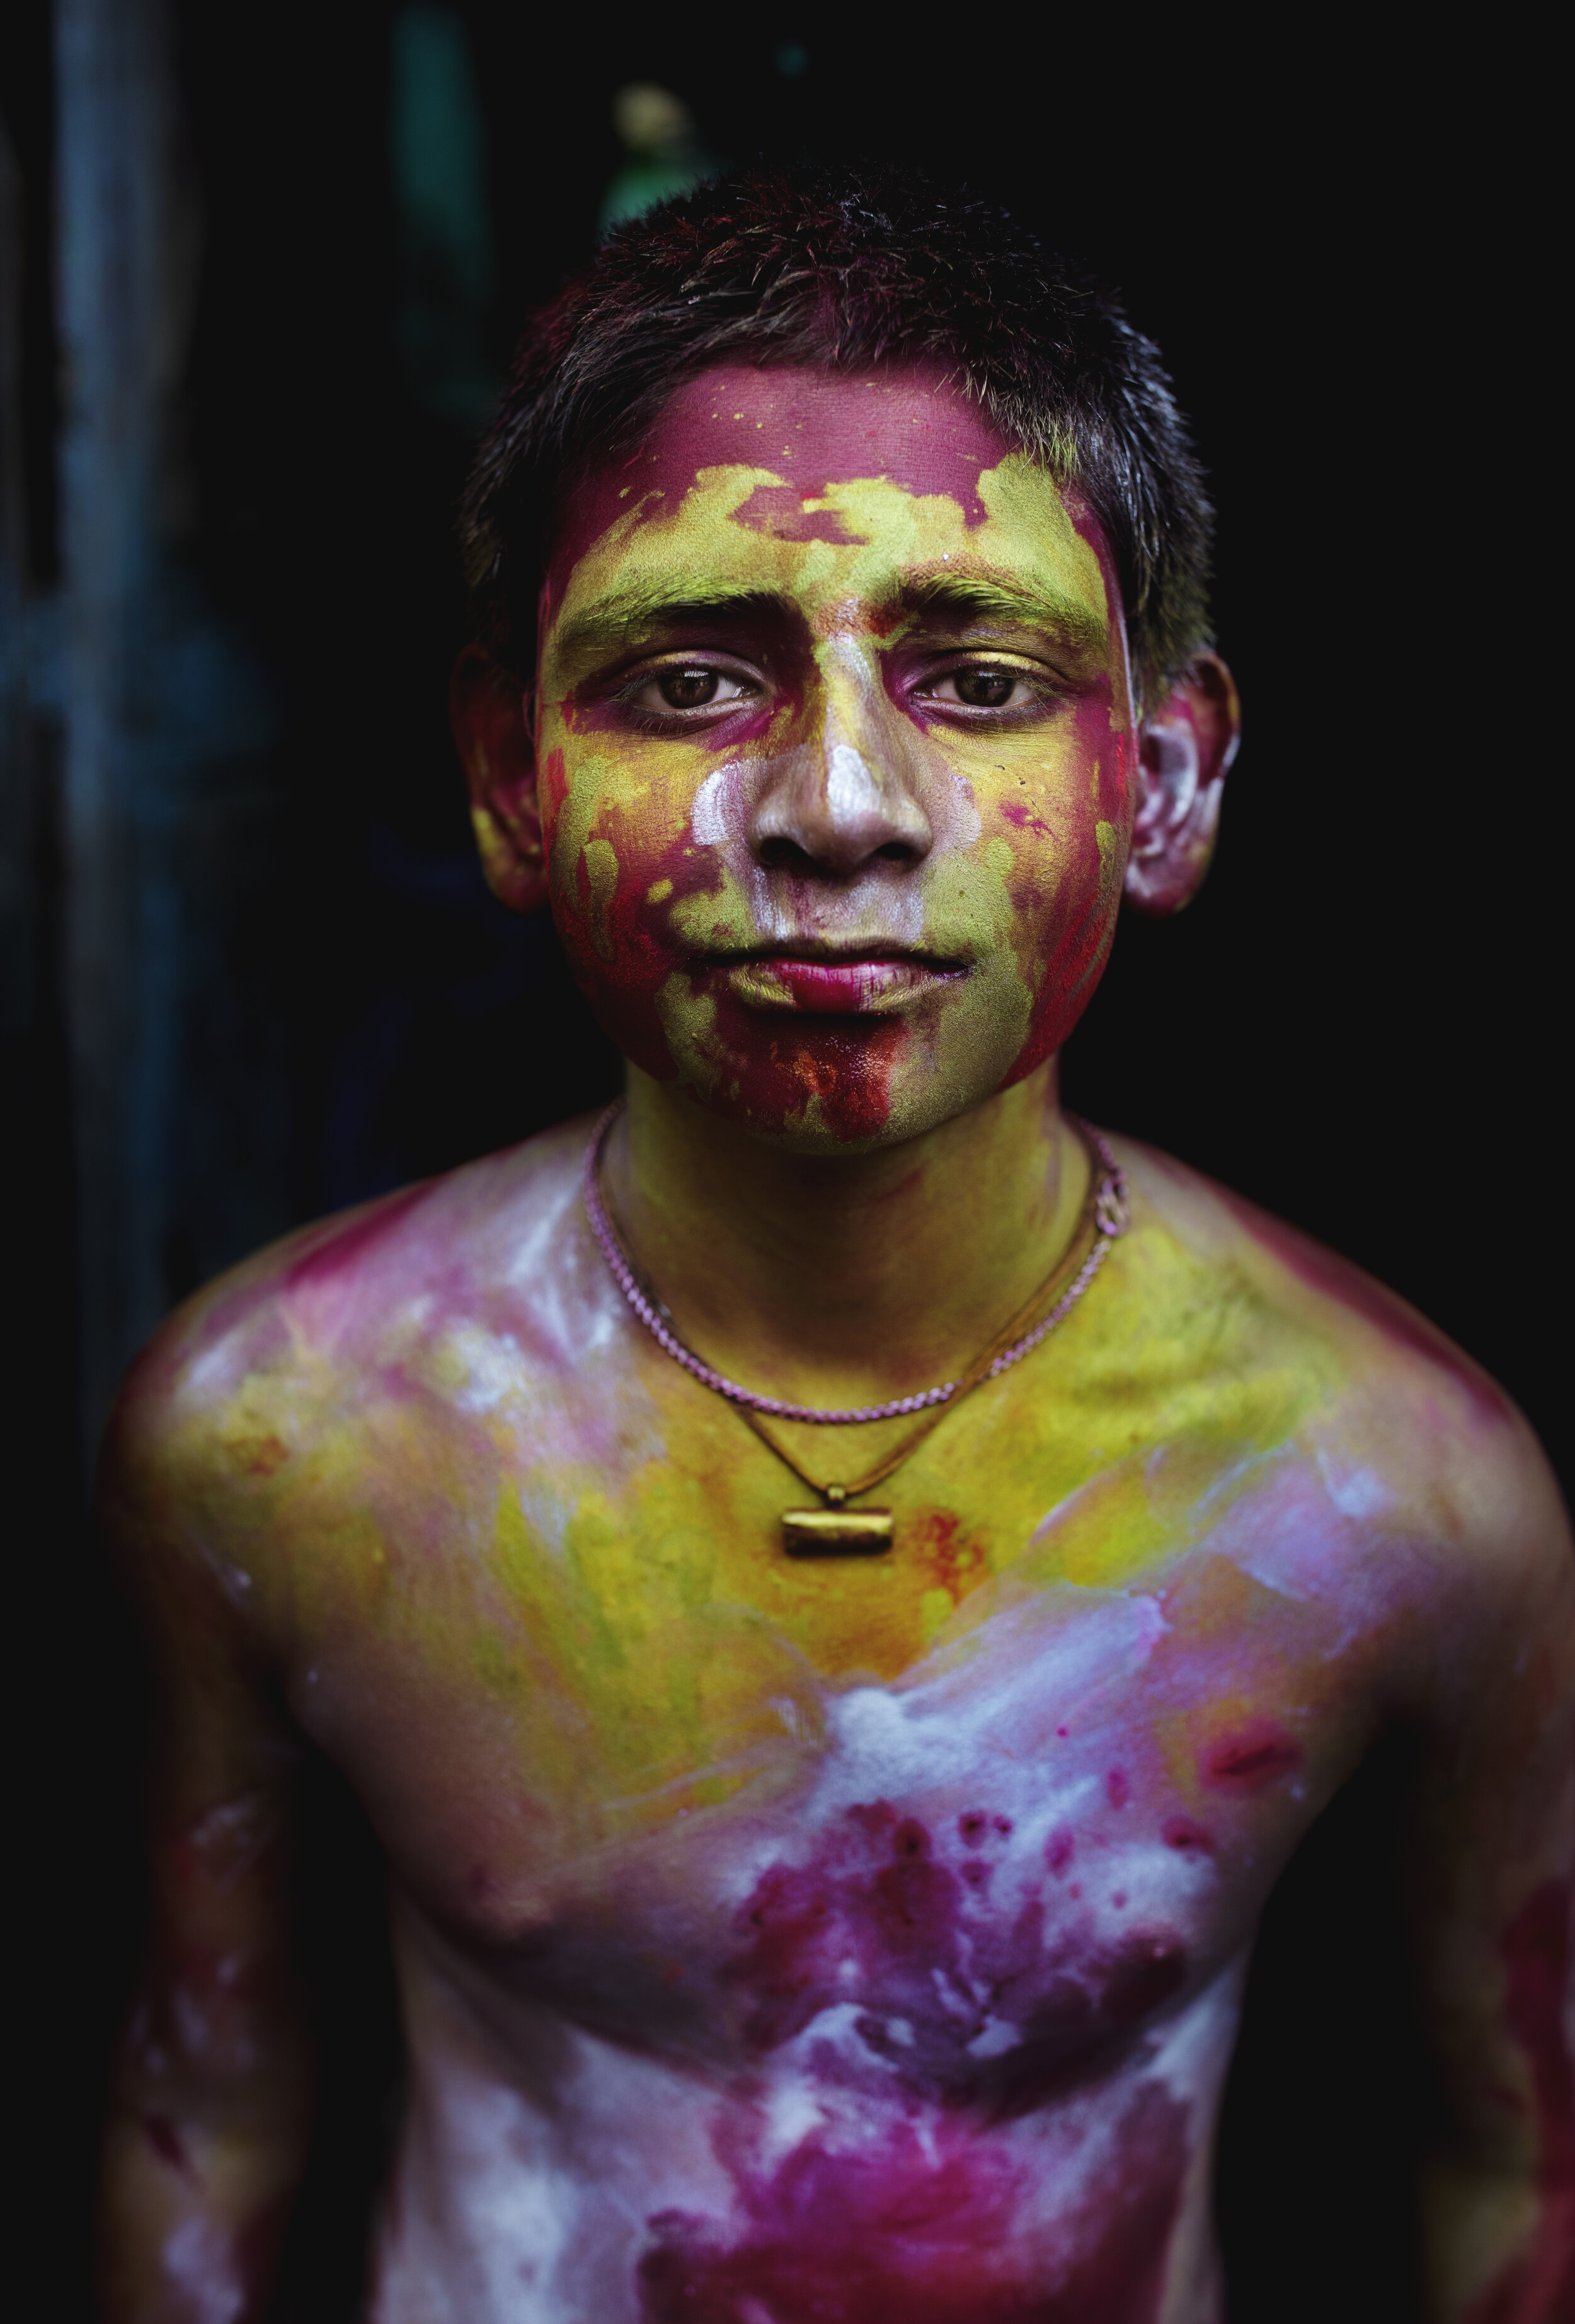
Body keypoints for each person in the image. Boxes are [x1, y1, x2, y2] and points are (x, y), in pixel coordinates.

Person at [96, 169, 1574, 2323]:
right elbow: (201, 2126)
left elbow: (1510, 2172)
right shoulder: (285, 1439)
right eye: (691, 682)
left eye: (975, 680)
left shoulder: (1389, 1495)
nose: (837, 809)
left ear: (1161, 782)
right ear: (511, 778)